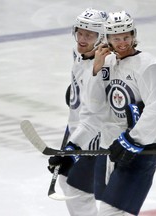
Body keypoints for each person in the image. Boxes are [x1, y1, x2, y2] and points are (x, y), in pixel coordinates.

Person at [86, 11, 156, 215]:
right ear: (107, 39)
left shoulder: (149, 66)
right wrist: (96, 69)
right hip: (110, 143)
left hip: (142, 145)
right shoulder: (106, 63)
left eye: (126, 36)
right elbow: (94, 105)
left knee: (112, 210)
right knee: (109, 208)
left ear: (134, 34)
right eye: (116, 38)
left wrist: (132, 140)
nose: (123, 42)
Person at [47, 8, 107, 216]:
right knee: (65, 179)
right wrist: (75, 92)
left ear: (101, 38)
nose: (82, 38)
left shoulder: (104, 67)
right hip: (76, 127)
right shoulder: (81, 53)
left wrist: (74, 146)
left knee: (78, 190)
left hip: (91, 137)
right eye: (80, 32)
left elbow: (97, 116)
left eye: (89, 35)